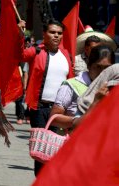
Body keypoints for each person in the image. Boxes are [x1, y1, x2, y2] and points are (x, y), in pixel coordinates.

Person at [19, 19, 74, 176]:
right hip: (39, 108)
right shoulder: (36, 51)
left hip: (59, 110)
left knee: (55, 148)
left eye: (59, 33)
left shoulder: (66, 56)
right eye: (52, 32)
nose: (56, 35)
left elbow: (71, 82)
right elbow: (19, 54)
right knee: (42, 148)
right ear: (44, 34)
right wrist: (19, 34)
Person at [50, 45, 114, 129]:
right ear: (89, 66)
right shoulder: (71, 86)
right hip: (73, 139)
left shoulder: (113, 87)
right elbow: (54, 119)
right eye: (98, 67)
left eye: (107, 68)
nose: (103, 72)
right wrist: (77, 121)